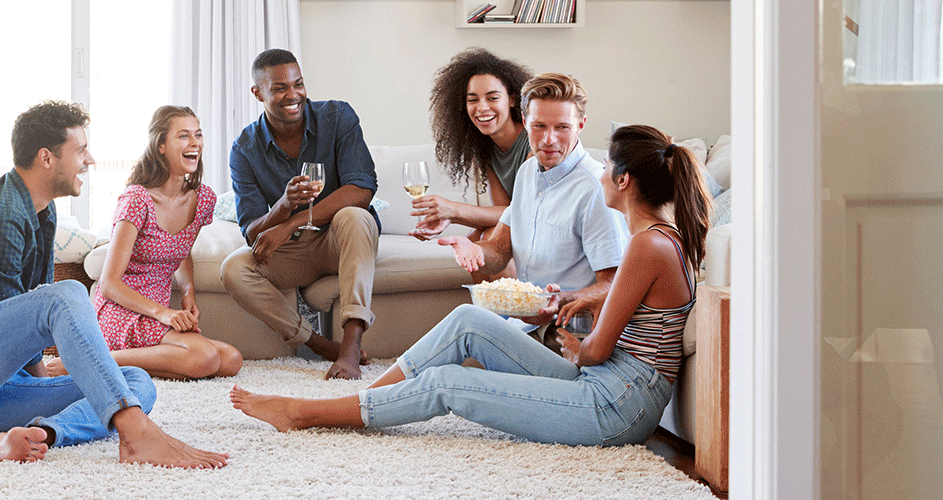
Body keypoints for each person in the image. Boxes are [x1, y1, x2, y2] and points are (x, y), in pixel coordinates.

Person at [230, 123, 713, 447]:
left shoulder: (648, 244)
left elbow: (597, 351)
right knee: (469, 320)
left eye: (608, 167)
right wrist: (573, 309)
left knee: (448, 384)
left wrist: (572, 342)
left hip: (617, 404)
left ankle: (305, 414)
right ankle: (356, 403)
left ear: (625, 180)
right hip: (610, 387)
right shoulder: (654, 238)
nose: (601, 174)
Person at [0, 101, 227, 468]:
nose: (90, 160)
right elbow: (13, 320)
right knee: (67, 295)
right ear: (46, 158)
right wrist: (42, 374)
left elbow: (20, 325)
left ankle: (39, 435)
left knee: (133, 384)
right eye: (80, 150)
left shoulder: (43, 210)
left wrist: (44, 380)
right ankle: (136, 434)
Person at [43, 105, 243, 380]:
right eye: (183, 136)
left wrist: (188, 292)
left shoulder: (203, 199)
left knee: (231, 359)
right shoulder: (137, 200)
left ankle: (117, 363)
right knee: (205, 357)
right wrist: (164, 314)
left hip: (158, 312)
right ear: (161, 145)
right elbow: (109, 283)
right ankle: (91, 361)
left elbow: (181, 251)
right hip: (121, 309)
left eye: (198, 134)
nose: (195, 142)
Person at [223, 48, 380, 380]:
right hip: (295, 252)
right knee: (234, 268)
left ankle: (350, 345)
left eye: (298, 84)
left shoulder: (338, 118)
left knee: (355, 216)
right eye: (280, 88)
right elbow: (252, 231)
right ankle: (321, 344)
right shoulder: (244, 148)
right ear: (258, 92)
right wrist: (283, 206)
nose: (292, 96)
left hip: (340, 242)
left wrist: (292, 221)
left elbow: (362, 188)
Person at [444, 73, 627, 350]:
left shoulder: (595, 189)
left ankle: (366, 394)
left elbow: (614, 284)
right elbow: (501, 249)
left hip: (569, 332)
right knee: (459, 342)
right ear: (525, 121)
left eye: (562, 127)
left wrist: (556, 301)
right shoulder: (528, 171)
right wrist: (475, 251)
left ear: (581, 124)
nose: (548, 139)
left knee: (463, 336)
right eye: (539, 126)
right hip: (527, 323)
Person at [411, 48, 535, 255]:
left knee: (487, 239)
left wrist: (454, 209)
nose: (482, 107)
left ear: (513, 100)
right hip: (521, 226)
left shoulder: (534, 141)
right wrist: (449, 217)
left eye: (492, 98)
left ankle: (522, 289)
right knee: (475, 239)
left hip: (544, 226)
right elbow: (502, 213)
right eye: (473, 100)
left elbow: (525, 212)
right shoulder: (486, 149)